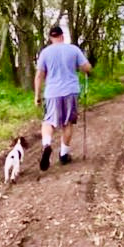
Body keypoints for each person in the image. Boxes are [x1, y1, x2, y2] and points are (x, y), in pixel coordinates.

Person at [34, 25, 92, 170]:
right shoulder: (73, 49)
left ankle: (47, 144)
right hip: (70, 91)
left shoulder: (45, 53)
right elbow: (86, 67)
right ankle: (64, 155)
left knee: (48, 121)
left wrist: (37, 96)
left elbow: (39, 75)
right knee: (67, 123)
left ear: (50, 38)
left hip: (52, 92)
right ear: (62, 36)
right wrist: (84, 68)